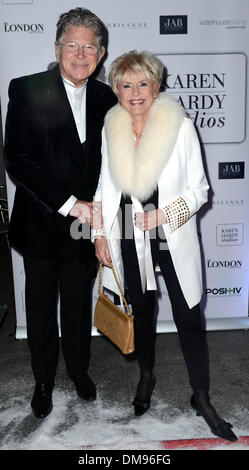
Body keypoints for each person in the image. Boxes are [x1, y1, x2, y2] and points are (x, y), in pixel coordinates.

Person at [93, 51, 237, 442]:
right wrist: (99, 234)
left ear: (156, 87)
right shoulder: (112, 129)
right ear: (116, 90)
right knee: (141, 312)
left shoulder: (180, 127)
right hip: (126, 232)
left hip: (170, 233)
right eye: (125, 85)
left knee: (189, 317)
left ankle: (202, 397)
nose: (135, 93)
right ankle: (146, 375)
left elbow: (200, 190)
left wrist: (164, 215)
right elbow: (103, 187)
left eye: (143, 84)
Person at [4, 7, 117, 419]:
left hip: (87, 228)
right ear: (57, 48)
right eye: (72, 45)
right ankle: (43, 379)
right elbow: (18, 160)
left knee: (75, 303)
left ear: (101, 54)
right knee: (38, 306)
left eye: (90, 46)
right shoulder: (26, 89)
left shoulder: (108, 97)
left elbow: (112, 163)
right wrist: (71, 205)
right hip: (41, 223)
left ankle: (79, 370)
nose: (81, 53)